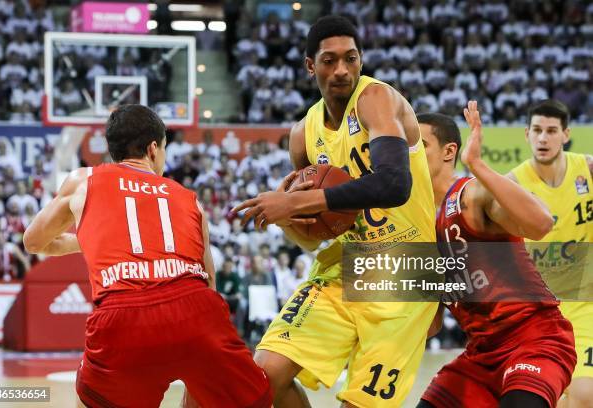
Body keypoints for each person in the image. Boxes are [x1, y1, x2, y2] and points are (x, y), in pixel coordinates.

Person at [233, 15, 438, 407]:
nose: (342, 69)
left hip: (405, 273)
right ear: (311, 66)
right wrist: (288, 222)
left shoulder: (376, 99)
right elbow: (312, 238)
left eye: (351, 58)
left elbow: (395, 184)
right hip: (339, 270)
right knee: (260, 379)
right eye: (329, 60)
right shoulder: (302, 134)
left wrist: (296, 201)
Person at [23, 105, 271, 408]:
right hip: (195, 310)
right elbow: (209, 289)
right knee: (249, 396)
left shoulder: (83, 180)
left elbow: (33, 241)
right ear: (153, 149)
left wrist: (86, 240)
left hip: (122, 318)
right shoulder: (190, 200)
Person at [417, 105, 576, 408]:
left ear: (449, 151)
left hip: (535, 340)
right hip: (480, 355)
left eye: (420, 145)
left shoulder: (471, 194)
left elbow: (541, 223)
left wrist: (477, 164)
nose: (409, 153)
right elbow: (431, 326)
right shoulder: (419, 228)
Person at [509, 99, 593, 408]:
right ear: (526, 134)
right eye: (537, 130)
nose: (543, 138)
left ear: (566, 134)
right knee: (549, 397)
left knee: (585, 396)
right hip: (539, 312)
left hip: (585, 306)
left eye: (552, 131)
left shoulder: (588, 169)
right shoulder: (513, 184)